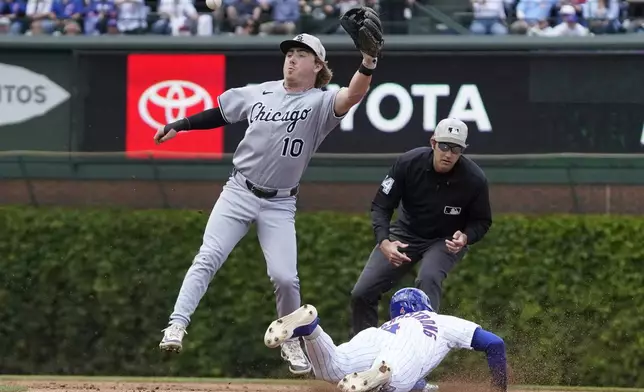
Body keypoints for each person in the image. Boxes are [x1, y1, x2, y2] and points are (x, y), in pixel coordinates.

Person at [154, 31, 380, 375]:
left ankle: (290, 339)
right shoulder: (261, 91)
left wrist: (368, 61)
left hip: (279, 204)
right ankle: (176, 324)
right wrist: (181, 123)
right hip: (238, 191)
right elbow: (220, 112)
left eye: (301, 54)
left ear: (318, 65)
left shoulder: (321, 103)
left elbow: (353, 95)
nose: (291, 58)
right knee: (208, 256)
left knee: (286, 278)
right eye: (289, 52)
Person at [351, 118, 493, 337]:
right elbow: (381, 205)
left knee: (428, 278)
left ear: (463, 151)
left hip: (445, 241)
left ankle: (423, 352)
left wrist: (465, 237)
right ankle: (366, 353)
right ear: (433, 142)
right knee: (362, 292)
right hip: (405, 234)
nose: (448, 154)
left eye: (456, 149)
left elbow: (482, 221)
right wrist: (384, 241)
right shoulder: (408, 163)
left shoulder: (474, 179)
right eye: (444, 146)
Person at [263, 287, 508, 392]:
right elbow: (495, 344)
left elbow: (417, 383)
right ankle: (382, 378)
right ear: (425, 306)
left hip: (372, 337)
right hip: (406, 349)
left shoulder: (390, 324)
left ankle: (311, 328)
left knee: (332, 368)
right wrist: (499, 389)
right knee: (393, 380)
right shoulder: (440, 321)